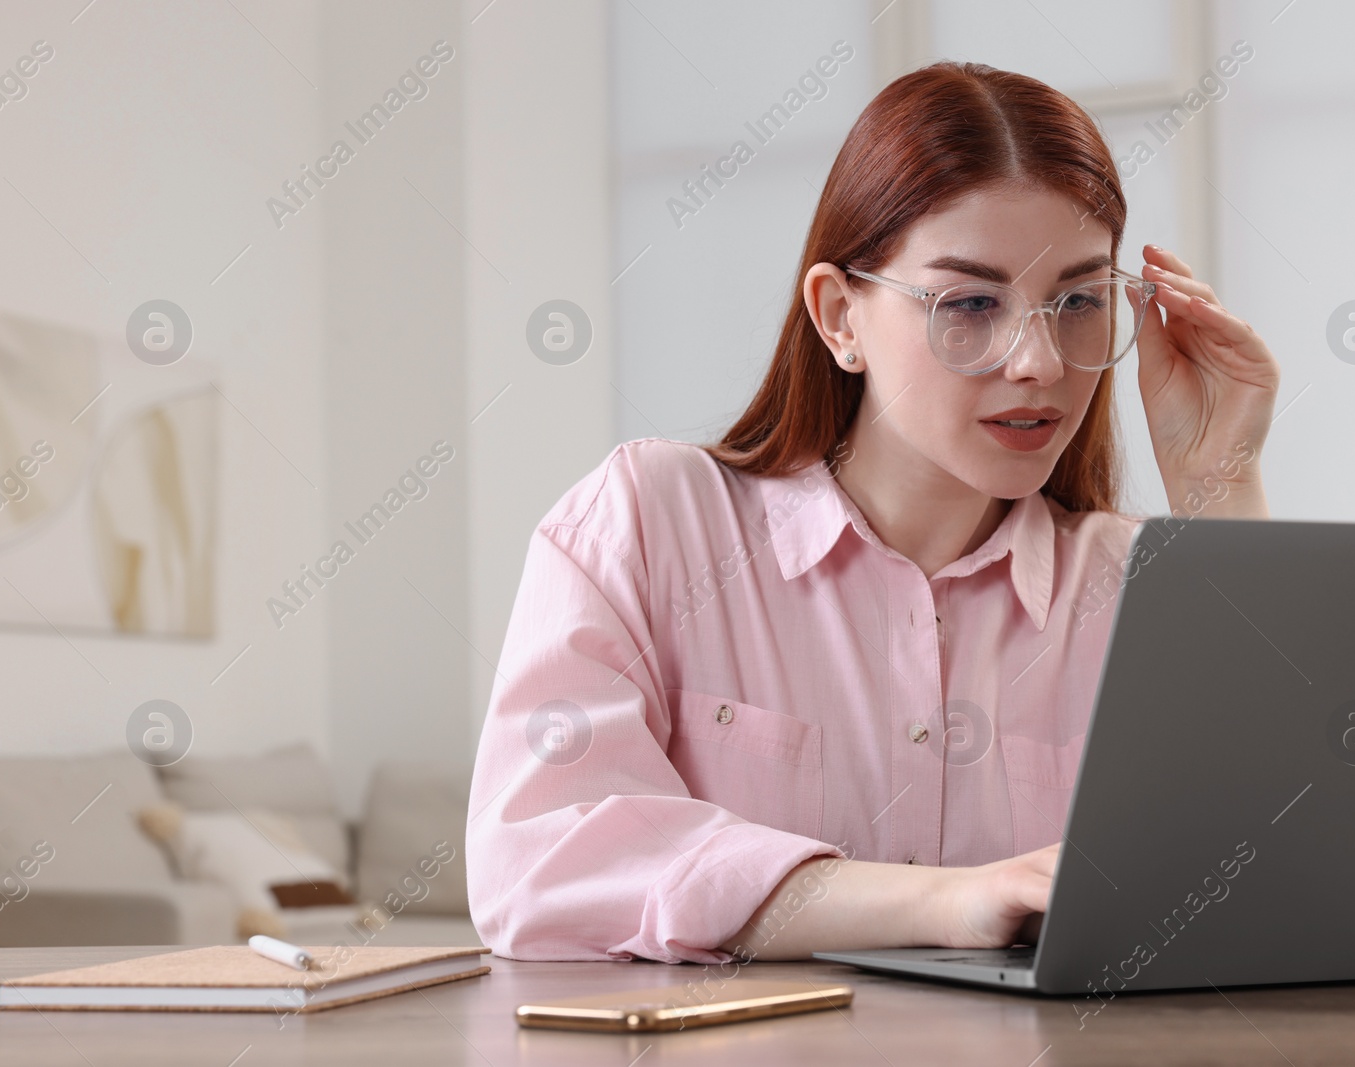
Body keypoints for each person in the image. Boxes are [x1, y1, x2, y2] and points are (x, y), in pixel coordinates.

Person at [467, 61, 1279, 964]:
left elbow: (1286, 879)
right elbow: (536, 861)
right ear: (839, 317)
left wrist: (1220, 486)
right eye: (971, 303)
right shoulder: (652, 524)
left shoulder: (1142, 590)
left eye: (1078, 301)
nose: (1040, 362)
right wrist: (943, 902)